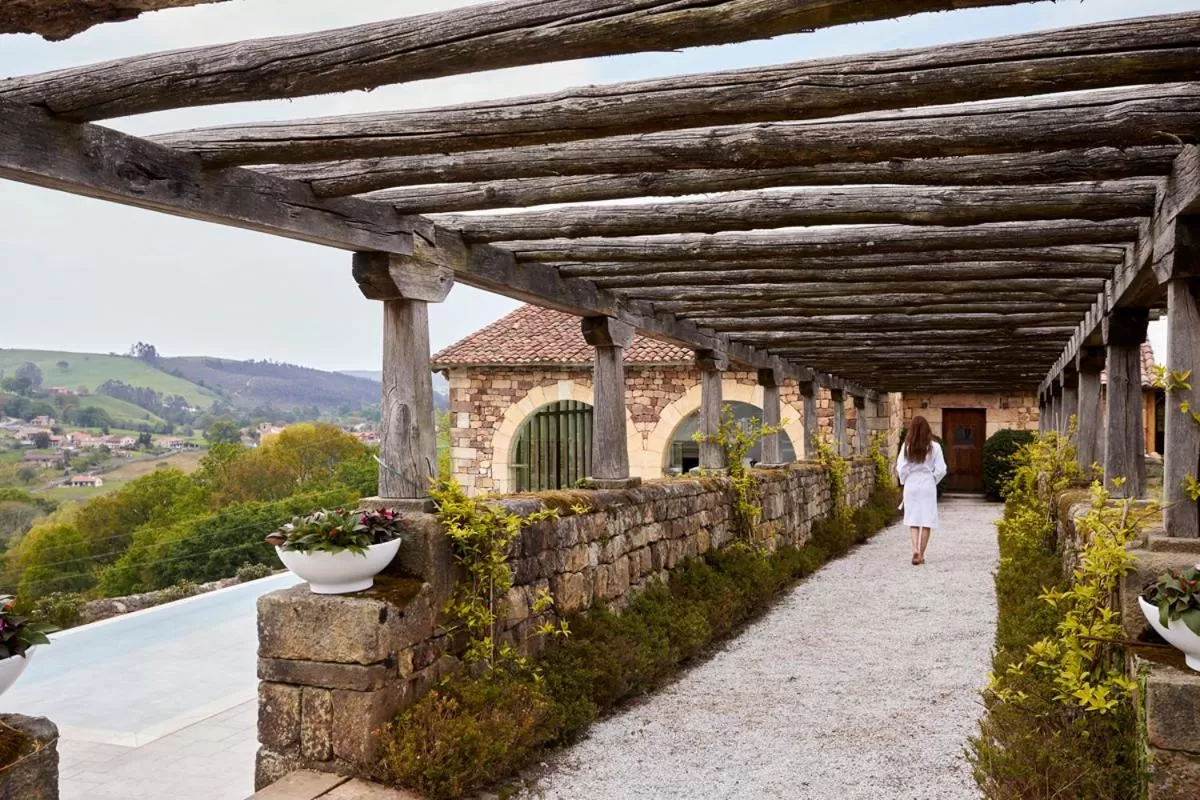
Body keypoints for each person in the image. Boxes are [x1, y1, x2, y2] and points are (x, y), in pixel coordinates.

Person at [896, 416, 947, 565]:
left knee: (913, 519)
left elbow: (901, 467)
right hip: (927, 484)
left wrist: (905, 480)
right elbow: (941, 469)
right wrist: (933, 479)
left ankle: (915, 550)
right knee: (926, 520)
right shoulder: (934, 446)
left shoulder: (907, 446)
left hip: (912, 483)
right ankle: (922, 554)